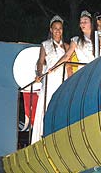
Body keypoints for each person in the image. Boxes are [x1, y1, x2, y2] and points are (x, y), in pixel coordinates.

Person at [31, 15, 70, 144]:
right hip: (50, 78)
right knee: (46, 106)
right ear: (51, 30)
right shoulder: (45, 45)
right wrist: (39, 74)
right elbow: (40, 62)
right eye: (55, 28)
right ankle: (41, 137)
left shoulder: (66, 46)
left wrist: (71, 81)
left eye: (60, 28)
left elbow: (69, 65)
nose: (58, 31)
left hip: (62, 79)